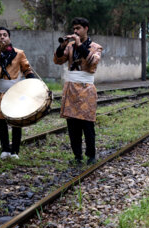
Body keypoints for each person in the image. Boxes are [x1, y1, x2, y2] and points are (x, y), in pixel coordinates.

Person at [53, 17, 103, 165]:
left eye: (78, 28)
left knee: (87, 124)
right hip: (71, 89)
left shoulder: (96, 47)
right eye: (74, 29)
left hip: (86, 88)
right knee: (72, 125)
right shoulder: (70, 47)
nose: (75, 31)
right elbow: (58, 61)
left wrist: (80, 45)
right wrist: (62, 47)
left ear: (86, 29)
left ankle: (91, 155)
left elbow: (92, 61)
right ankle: (77, 156)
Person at [0, 26, 35, 159]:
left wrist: (34, 83)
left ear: (9, 38)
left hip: (15, 93)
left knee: (16, 122)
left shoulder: (19, 53)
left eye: (5, 35)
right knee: (1, 122)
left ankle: (15, 151)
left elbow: (27, 69)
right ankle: (5, 149)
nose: (2, 37)